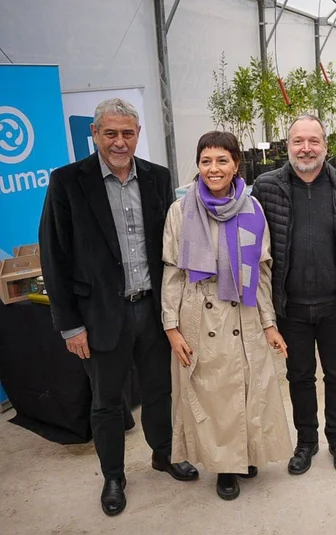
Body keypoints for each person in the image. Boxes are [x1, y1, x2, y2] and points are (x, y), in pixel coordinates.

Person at [39, 98, 198, 516]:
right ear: (95, 134)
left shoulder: (158, 178)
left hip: (152, 309)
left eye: (127, 133)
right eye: (110, 133)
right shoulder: (68, 182)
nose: (119, 141)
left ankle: (163, 454)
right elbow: (54, 255)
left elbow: (173, 245)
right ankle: (113, 475)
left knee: (159, 390)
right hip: (99, 317)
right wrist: (69, 326)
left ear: (138, 134)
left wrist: (178, 310)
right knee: (107, 401)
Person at [161, 131, 293, 501]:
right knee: (213, 394)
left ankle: (245, 454)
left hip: (245, 312)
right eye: (206, 161)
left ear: (237, 164)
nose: (213, 169)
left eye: (222, 161)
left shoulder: (252, 209)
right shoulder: (181, 210)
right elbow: (172, 271)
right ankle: (223, 467)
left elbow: (263, 270)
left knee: (251, 389)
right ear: (198, 165)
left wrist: (269, 323)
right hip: (200, 316)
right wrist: (171, 326)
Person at [251, 114, 336, 476]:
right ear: (288, 145)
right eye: (299, 141)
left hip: (334, 303)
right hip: (290, 306)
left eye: (314, 141)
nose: (306, 148)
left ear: (325, 146)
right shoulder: (266, 187)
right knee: (299, 376)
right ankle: (306, 442)